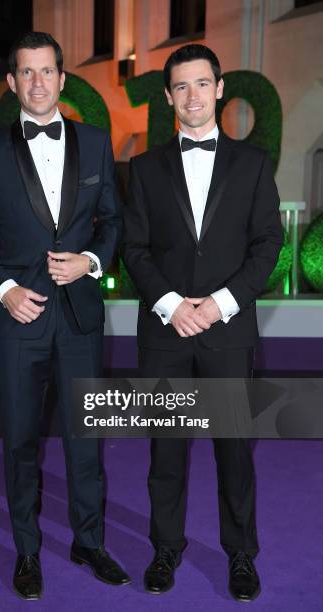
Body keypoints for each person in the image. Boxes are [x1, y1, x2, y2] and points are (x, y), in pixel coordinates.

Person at [0, 31, 129, 600]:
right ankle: (27, 551)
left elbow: (114, 223)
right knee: (20, 440)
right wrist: (4, 288)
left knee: (87, 439)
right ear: (11, 83)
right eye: (25, 73)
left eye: (46, 71)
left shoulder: (97, 143)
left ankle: (89, 541)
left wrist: (91, 260)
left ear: (62, 77)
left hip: (80, 317)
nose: (36, 83)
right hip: (19, 319)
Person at [122, 44, 283, 601]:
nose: (191, 96)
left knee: (234, 451)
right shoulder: (142, 169)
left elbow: (268, 245)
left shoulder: (255, 164)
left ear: (220, 88)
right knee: (165, 451)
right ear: (167, 98)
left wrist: (219, 304)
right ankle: (165, 548)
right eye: (180, 87)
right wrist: (171, 303)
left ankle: (241, 555)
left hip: (228, 333)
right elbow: (134, 248)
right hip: (165, 336)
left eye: (201, 84)